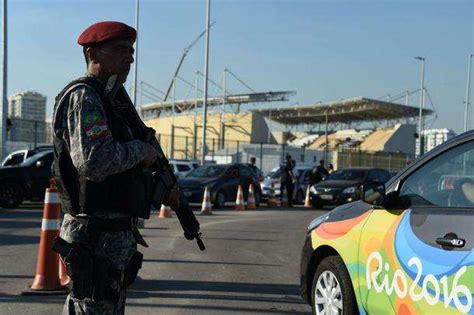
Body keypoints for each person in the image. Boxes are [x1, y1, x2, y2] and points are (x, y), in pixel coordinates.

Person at [51, 21, 178, 314]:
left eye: (131, 50)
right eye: (121, 49)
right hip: (93, 237)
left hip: (111, 241)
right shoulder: (85, 97)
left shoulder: (114, 99)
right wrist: (141, 151)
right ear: (93, 54)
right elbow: (93, 161)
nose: (130, 57)